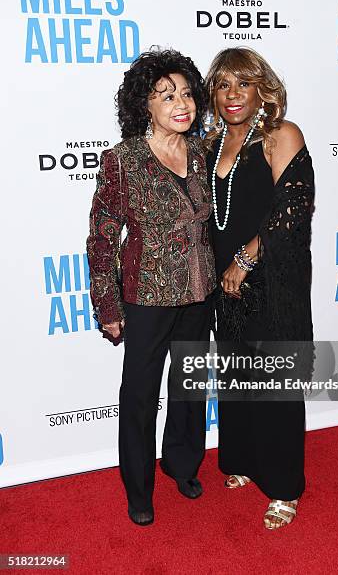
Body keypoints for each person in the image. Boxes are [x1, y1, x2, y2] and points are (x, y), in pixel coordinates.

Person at [87, 48, 216, 526]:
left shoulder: (203, 152)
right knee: (140, 395)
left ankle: (183, 464)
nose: (181, 103)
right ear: (145, 104)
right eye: (167, 95)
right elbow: (102, 237)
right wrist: (107, 304)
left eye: (186, 93)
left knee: (188, 386)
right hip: (145, 296)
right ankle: (138, 489)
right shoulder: (123, 161)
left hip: (199, 291)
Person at [205, 47, 314, 530]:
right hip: (223, 284)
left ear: (261, 90)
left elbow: (291, 210)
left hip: (269, 279)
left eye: (244, 84)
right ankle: (244, 458)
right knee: (237, 376)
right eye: (224, 84)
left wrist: (245, 261)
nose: (233, 94)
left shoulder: (279, 136)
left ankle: (285, 486)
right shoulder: (211, 144)